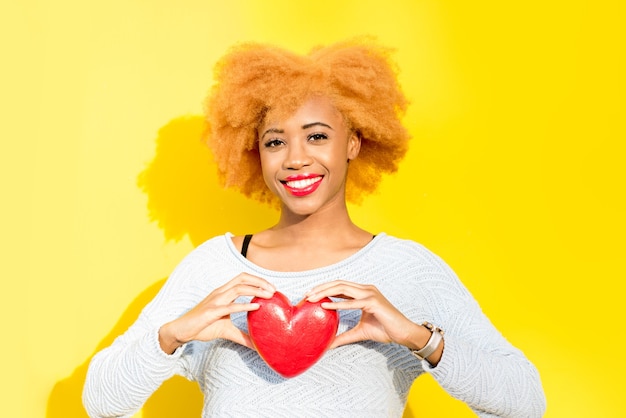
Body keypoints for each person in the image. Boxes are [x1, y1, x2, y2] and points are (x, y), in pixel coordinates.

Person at [83, 39, 546, 417]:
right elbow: (100, 401)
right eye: (275, 141)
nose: (296, 157)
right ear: (255, 154)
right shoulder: (212, 268)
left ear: (354, 142)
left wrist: (417, 338)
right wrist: (173, 335)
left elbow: (526, 402)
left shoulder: (406, 270)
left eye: (317, 135)